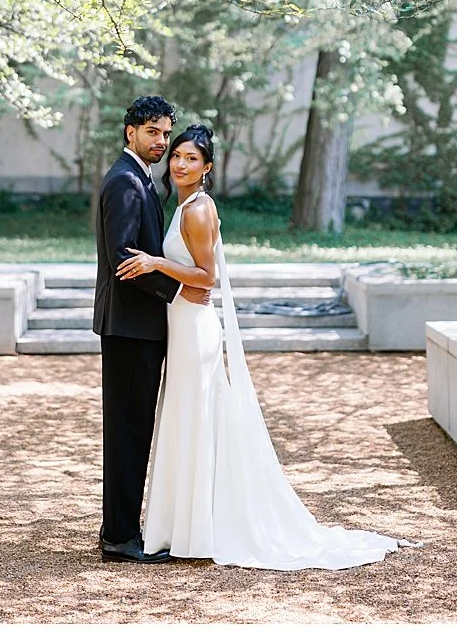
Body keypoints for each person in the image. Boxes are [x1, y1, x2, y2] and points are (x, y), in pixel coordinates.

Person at [116, 123, 403, 570]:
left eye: (191, 159)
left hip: (194, 328)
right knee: (187, 422)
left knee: (194, 421)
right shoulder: (185, 204)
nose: (180, 164)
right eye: (176, 156)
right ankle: (185, 527)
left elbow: (206, 278)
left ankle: (198, 532)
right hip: (182, 323)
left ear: (207, 168)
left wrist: (156, 263)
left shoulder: (197, 211)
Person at [94, 95, 183, 564]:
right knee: (128, 433)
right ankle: (120, 538)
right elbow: (125, 260)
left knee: (133, 431)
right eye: (153, 132)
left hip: (137, 327)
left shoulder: (139, 179)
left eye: (166, 133)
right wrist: (181, 289)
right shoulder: (126, 182)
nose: (161, 142)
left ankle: (118, 526)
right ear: (130, 131)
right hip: (130, 329)